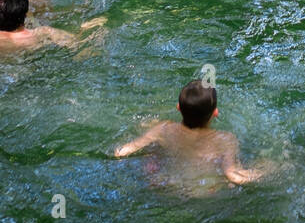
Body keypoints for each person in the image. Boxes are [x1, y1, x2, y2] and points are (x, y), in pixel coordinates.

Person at [113, 79, 266, 186]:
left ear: (178, 107)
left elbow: (122, 152)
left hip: (169, 185)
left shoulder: (163, 128)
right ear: (215, 113)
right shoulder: (225, 139)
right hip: (205, 193)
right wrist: (268, 171)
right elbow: (233, 175)